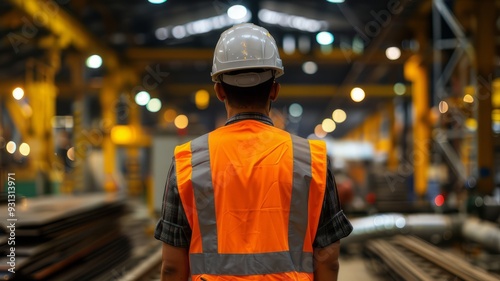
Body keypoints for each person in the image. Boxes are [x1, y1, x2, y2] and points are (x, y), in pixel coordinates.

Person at [154, 23, 353, 281]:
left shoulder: (188, 160)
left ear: (219, 91)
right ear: (274, 90)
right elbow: (329, 260)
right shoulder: (311, 158)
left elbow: (172, 266)